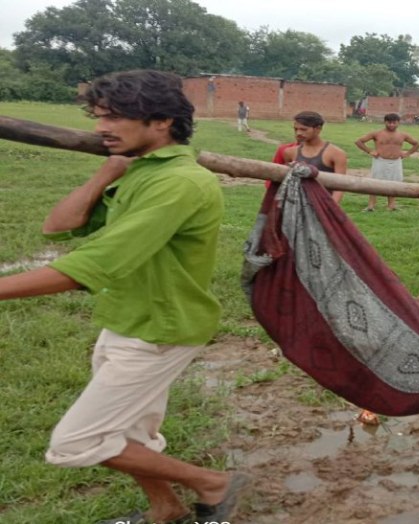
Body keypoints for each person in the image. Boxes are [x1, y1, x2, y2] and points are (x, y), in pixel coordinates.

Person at [0, 70, 249, 523]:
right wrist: (108, 170)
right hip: (127, 316)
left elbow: (99, 263)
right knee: (130, 431)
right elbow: (59, 225)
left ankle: (214, 483)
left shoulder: (181, 183)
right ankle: (165, 509)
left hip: (161, 328)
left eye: (115, 117)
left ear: (162, 121)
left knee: (76, 442)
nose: (101, 128)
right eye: (99, 117)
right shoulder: (141, 172)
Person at [355, 113, 419, 211]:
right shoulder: (376, 134)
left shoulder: (403, 135)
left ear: (398, 123)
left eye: (394, 123)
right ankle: (371, 206)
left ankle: (391, 205)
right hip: (380, 161)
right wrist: (370, 151)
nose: (391, 125)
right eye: (389, 123)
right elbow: (359, 141)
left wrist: (407, 153)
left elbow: (417, 144)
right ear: (385, 122)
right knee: (375, 183)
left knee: (394, 183)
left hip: (396, 162)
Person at [283, 111, 347, 204]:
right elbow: (287, 181)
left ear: (318, 129)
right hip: (296, 205)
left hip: (323, 204)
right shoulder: (290, 152)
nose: (298, 133)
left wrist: (331, 207)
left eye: (304, 129)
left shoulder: (336, 154)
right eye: (296, 129)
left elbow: (340, 186)